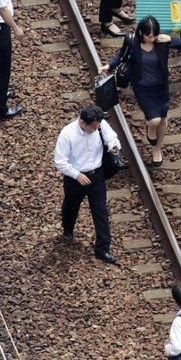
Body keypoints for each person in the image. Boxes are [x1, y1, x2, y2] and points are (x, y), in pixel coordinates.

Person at [103, 16, 181, 165]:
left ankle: (157, 149)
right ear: (141, 33)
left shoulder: (161, 42)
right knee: (154, 120)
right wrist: (108, 66)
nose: (153, 38)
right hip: (143, 88)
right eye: (149, 36)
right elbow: (120, 56)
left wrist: (170, 39)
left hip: (161, 87)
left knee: (163, 119)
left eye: (155, 35)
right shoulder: (132, 42)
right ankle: (150, 128)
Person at [53, 104, 121, 263]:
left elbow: (112, 137)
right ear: (83, 123)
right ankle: (68, 229)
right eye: (93, 127)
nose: (95, 129)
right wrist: (76, 175)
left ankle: (102, 249)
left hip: (96, 175)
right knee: (71, 206)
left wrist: (113, 145)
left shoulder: (99, 124)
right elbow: (60, 161)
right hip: (75, 178)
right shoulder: (67, 134)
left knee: (101, 212)